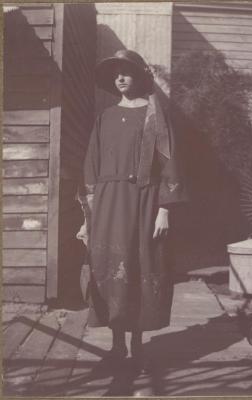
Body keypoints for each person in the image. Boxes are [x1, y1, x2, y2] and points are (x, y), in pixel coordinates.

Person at [77, 49, 188, 370]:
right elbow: (90, 166)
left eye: (126, 71)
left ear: (139, 75)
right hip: (109, 202)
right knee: (110, 265)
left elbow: (170, 164)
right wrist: (89, 216)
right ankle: (116, 346)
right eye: (116, 73)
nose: (120, 77)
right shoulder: (106, 117)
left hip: (144, 200)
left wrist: (165, 209)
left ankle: (138, 346)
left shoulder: (155, 115)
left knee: (140, 263)